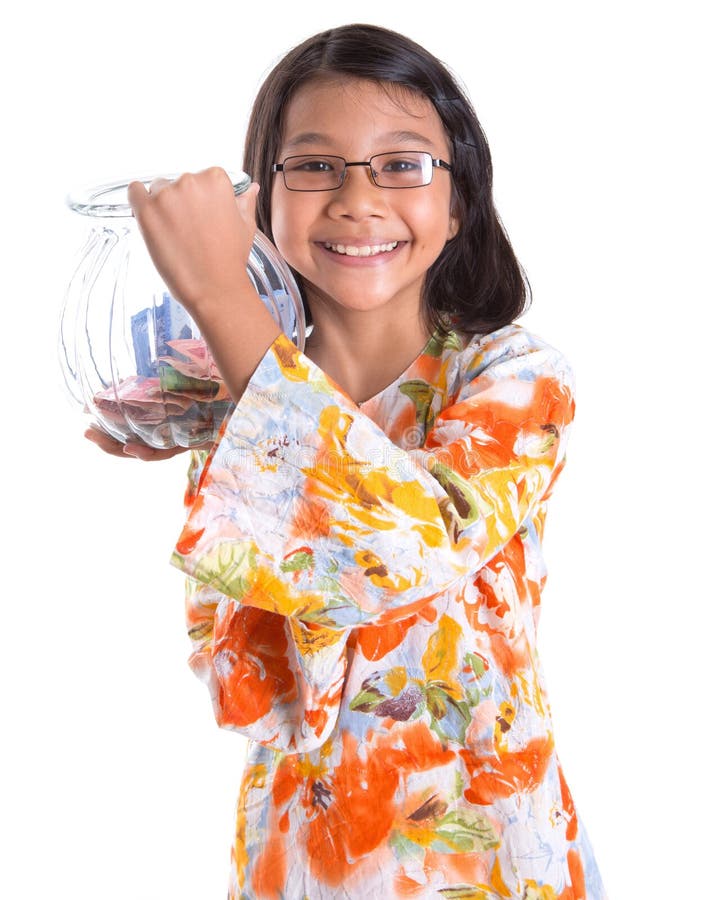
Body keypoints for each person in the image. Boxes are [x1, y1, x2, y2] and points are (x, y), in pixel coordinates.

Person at [87, 23, 607, 900]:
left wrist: (224, 306)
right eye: (315, 165)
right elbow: (245, 684)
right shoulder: (240, 403)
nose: (357, 201)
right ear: (259, 203)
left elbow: (413, 541)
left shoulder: (515, 376)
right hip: (300, 856)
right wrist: (215, 426)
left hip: (493, 858)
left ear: (459, 202)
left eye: (402, 164)